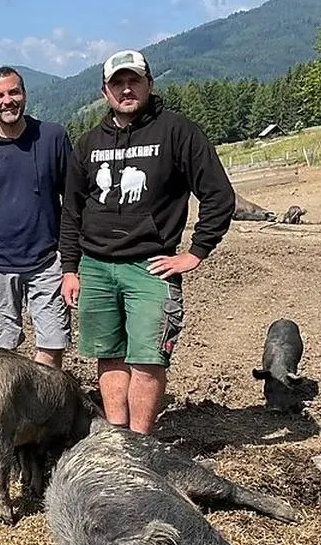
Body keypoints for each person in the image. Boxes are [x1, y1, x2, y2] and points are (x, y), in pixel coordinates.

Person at [59, 49, 235, 435]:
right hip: (96, 267)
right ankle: (119, 435)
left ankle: (141, 442)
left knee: (147, 358)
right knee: (108, 356)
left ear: (149, 84)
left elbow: (219, 195)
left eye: (133, 80)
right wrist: (70, 268)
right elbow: (71, 211)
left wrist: (195, 252)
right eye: (117, 83)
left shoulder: (177, 132)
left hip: (150, 266)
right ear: (105, 91)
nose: (126, 89)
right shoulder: (89, 143)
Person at [0, 66, 74, 368]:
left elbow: (73, 202)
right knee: (4, 347)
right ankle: (11, 408)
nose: (7, 101)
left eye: (14, 92)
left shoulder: (52, 138)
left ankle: (42, 407)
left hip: (47, 260)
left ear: (24, 95)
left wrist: (72, 260)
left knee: (52, 341)